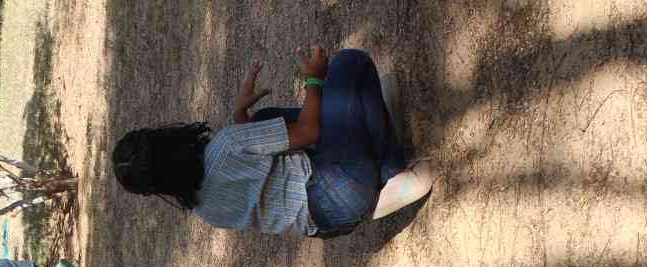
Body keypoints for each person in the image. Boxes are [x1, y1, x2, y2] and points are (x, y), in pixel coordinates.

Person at [111, 47, 434, 238]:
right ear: (165, 138)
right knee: (352, 64)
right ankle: (390, 173)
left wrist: (241, 113)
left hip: (329, 223)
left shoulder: (204, 210)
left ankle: (375, 167)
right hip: (339, 184)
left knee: (264, 118)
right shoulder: (225, 146)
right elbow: (309, 133)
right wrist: (314, 79)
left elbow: (250, 176)